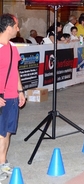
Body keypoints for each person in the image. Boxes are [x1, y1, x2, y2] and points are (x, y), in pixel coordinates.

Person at [0, 14, 26, 181]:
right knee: (0, 134)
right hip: (1, 97)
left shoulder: (12, 48)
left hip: (12, 96)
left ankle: (3, 162)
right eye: (16, 26)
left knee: (8, 132)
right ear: (8, 28)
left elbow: (15, 71)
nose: (18, 29)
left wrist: (20, 91)